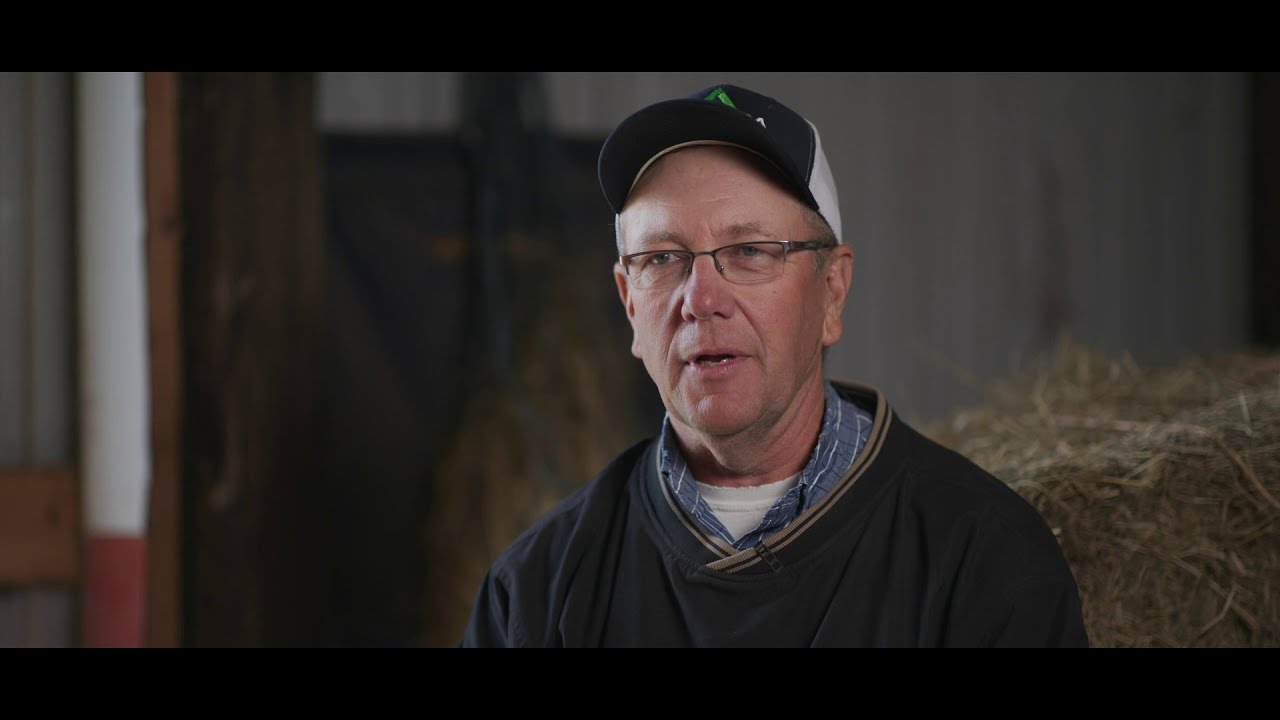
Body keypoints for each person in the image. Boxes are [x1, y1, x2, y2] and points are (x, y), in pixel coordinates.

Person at [460, 83, 1089, 647]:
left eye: (751, 250)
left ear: (832, 291)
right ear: (629, 303)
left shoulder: (982, 560)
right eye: (662, 258)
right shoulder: (535, 594)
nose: (701, 299)